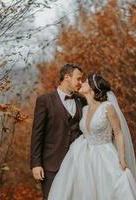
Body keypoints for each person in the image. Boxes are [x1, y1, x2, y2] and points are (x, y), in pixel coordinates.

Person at [47, 73, 136, 200]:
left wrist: (121, 158)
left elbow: (118, 133)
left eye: (85, 82)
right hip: (84, 157)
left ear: (93, 87)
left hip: (105, 155)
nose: (82, 83)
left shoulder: (107, 107)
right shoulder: (85, 109)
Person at [30, 63, 86, 199]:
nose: (81, 82)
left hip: (76, 163)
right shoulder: (45, 100)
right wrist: (36, 164)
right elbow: (37, 134)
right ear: (67, 77)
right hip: (51, 165)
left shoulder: (82, 101)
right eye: (78, 79)